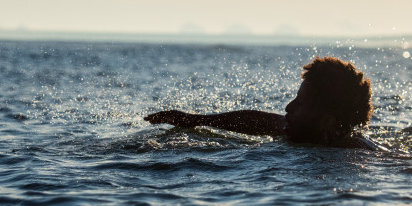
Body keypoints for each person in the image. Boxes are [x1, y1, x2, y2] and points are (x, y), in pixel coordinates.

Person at [145, 56, 379, 149]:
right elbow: (255, 120)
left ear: (326, 119)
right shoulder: (306, 130)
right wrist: (195, 120)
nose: (288, 108)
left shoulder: (356, 152)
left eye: (300, 103)